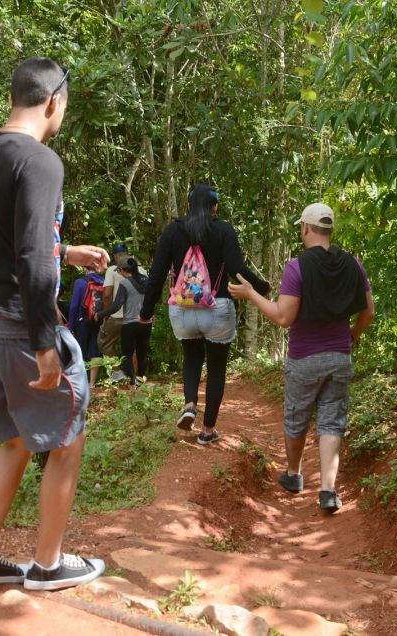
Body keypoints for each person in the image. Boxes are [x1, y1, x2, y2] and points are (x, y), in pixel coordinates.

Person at [0, 57, 108, 590]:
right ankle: (48, 564)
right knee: (66, 436)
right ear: (54, 102)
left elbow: (4, 242)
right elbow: (32, 258)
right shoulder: (40, 160)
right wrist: (46, 342)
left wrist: (68, 249)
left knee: (16, 439)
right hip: (19, 325)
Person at [229, 202, 374, 512]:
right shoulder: (353, 264)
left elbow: (283, 317)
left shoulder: (297, 267)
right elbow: (368, 311)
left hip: (305, 358)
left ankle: (294, 475)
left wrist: (251, 294)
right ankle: (327, 490)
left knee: (296, 417)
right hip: (339, 356)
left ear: (306, 228)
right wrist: (352, 335)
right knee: (331, 422)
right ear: (330, 230)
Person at [140, 184, 269, 445]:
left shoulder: (173, 231)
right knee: (217, 368)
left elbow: (156, 276)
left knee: (192, 357)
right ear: (215, 206)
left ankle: (189, 405)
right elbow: (236, 267)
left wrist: (146, 312)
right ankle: (208, 430)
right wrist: (262, 288)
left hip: (182, 309)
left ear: (189, 205)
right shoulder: (223, 230)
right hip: (217, 308)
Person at [96, 256, 151, 386]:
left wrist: (100, 314)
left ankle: (132, 383)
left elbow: (116, 305)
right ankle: (141, 381)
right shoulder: (146, 281)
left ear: (122, 270)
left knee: (127, 354)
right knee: (142, 353)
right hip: (146, 323)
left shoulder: (125, 283)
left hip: (130, 323)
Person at [67, 267, 104, 384]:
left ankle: (80, 382)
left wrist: (71, 326)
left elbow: (73, 306)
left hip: (82, 320)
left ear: (85, 268)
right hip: (98, 320)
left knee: (80, 350)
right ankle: (92, 383)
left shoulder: (80, 282)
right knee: (96, 350)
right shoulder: (103, 281)